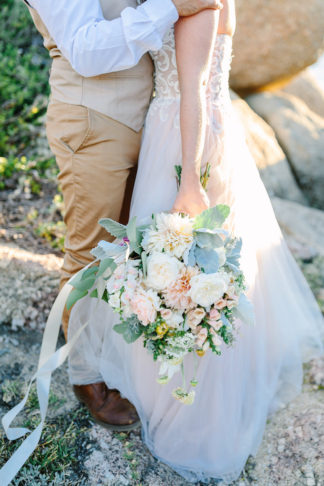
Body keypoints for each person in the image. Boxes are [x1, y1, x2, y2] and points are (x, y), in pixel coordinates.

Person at [67, 0, 324, 482]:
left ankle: (190, 398)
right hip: (201, 132)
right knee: (194, 269)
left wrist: (190, 181)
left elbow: (196, 91)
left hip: (184, 142)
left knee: (185, 267)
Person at [23, 0, 223, 430]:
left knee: (129, 253)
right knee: (89, 257)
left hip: (147, 119)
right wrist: (171, 7)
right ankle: (85, 377)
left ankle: (119, 354)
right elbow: (86, 50)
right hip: (93, 120)